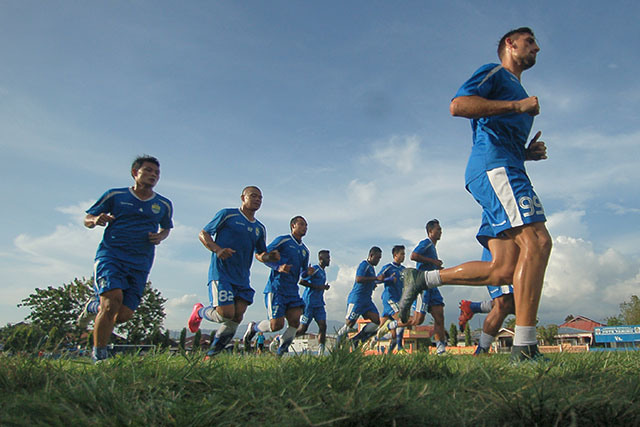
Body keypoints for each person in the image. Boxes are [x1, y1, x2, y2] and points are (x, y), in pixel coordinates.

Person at [399, 27, 551, 361]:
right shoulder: (495, 73)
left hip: (503, 168)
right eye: (530, 42)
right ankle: (525, 347)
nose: (537, 48)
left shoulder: (518, 90)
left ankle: (423, 279)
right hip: (496, 170)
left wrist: (527, 153)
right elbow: (458, 105)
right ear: (510, 44)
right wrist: (517, 106)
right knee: (538, 242)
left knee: (503, 270)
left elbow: (496, 134)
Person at [77, 155, 173, 362]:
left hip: (141, 262)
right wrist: (95, 219)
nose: (153, 175)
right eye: (148, 170)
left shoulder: (163, 204)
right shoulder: (115, 195)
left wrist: (160, 236)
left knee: (122, 315)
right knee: (111, 302)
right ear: (135, 173)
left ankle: (92, 306)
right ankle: (99, 357)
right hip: (111, 256)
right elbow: (87, 218)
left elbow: (166, 228)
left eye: (157, 173)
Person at [188, 186, 280, 357]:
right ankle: (199, 311)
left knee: (237, 317)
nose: (257, 200)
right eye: (253, 196)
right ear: (243, 198)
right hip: (222, 273)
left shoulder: (260, 228)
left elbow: (260, 253)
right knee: (226, 314)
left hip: (242, 277)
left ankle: (211, 355)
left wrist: (270, 257)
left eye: (260, 197)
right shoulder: (227, 215)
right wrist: (217, 249)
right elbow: (204, 233)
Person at [243, 216, 312, 356]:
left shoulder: (305, 251)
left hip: (292, 291)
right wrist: (278, 267)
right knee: (276, 325)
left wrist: (307, 273)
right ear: (293, 226)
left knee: (295, 321)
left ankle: (280, 353)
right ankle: (253, 328)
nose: (305, 227)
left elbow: (303, 273)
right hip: (277, 289)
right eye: (301, 224)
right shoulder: (283, 240)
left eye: (306, 225)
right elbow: (264, 255)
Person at [458, 247, 515, 355]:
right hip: (500, 255)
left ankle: (472, 307)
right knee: (504, 304)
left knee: (516, 306)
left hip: (512, 256)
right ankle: (481, 350)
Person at [407, 220, 447, 355]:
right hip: (423, 285)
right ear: (430, 232)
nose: (440, 231)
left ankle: (440, 348)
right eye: (438, 229)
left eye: (440, 229)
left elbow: (429, 265)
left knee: (439, 315)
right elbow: (413, 256)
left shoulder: (433, 248)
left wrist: (437, 267)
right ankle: (392, 325)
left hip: (432, 286)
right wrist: (433, 261)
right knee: (418, 320)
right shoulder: (426, 243)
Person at [335, 247, 384, 348]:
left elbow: (369, 281)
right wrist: (375, 278)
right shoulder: (364, 265)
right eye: (377, 258)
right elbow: (358, 279)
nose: (378, 260)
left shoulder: (371, 268)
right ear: (371, 256)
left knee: (376, 321)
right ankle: (337, 345)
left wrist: (373, 284)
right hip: (357, 299)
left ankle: (356, 339)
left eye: (380, 258)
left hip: (367, 301)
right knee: (349, 324)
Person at [370, 245, 407, 353]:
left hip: (398, 300)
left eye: (404, 254)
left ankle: (377, 341)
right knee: (402, 319)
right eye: (402, 254)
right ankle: (400, 348)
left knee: (393, 335)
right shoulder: (388, 267)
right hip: (390, 299)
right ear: (395, 255)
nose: (404, 256)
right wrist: (388, 279)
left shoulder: (404, 270)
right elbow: (376, 280)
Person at [295, 250, 331, 355]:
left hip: (319, 303)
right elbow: (302, 281)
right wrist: (318, 287)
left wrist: (324, 287)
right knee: (302, 329)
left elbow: (319, 286)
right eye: (327, 258)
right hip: (309, 303)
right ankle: (283, 339)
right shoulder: (315, 269)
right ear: (321, 259)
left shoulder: (323, 271)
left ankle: (321, 351)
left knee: (323, 326)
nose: (329, 260)